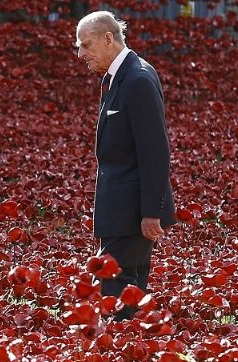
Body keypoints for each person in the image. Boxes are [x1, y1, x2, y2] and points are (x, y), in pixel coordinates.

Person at [75, 11, 176, 319]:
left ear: (109, 39)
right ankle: (132, 352)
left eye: (86, 45)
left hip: (133, 211)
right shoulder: (118, 77)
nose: (81, 55)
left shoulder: (138, 79)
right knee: (128, 282)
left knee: (113, 282)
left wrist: (151, 212)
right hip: (120, 207)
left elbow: (155, 152)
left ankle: (119, 352)